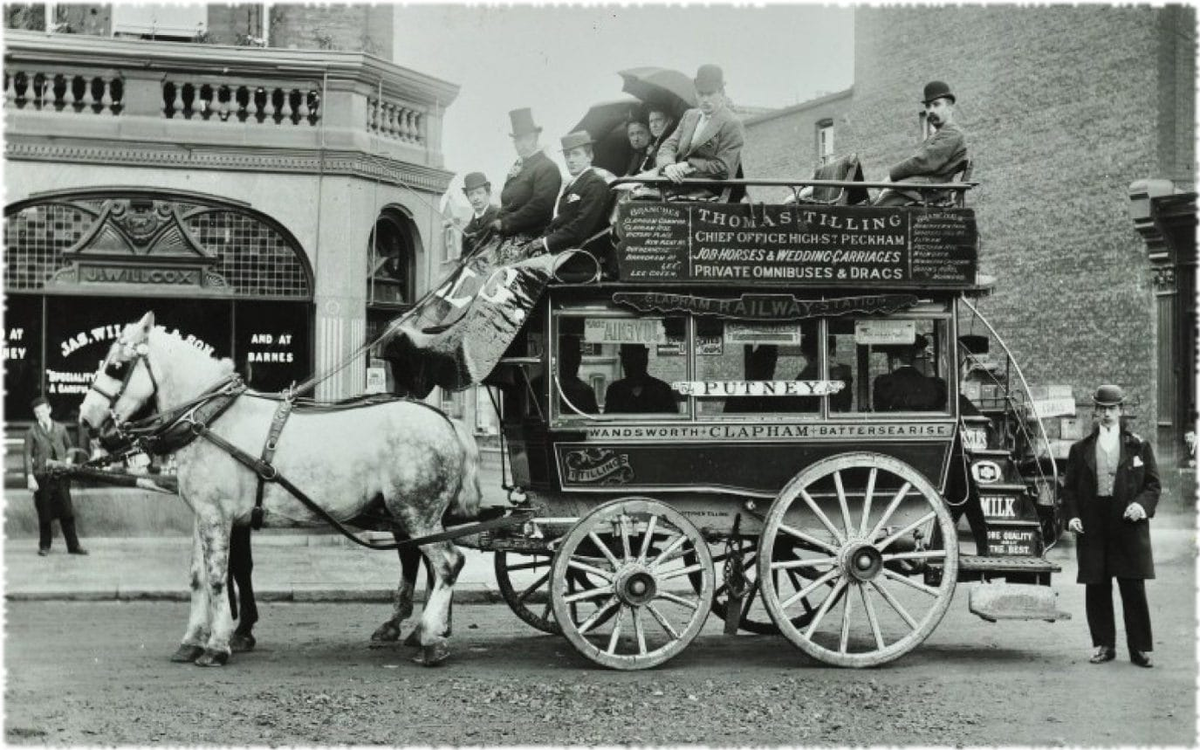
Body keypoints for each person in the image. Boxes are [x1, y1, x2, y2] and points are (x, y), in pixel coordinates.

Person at [1063, 385, 1160, 668]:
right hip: (1094, 523)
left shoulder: (1137, 445)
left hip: (1127, 523)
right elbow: (1069, 490)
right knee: (1097, 585)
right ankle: (1105, 645)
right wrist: (1072, 516)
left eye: (1112, 408)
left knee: (1132, 586)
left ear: (1120, 410)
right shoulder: (1080, 450)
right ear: (1095, 411)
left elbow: (1153, 484)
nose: (1106, 414)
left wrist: (1141, 506)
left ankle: (1140, 648)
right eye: (1102, 409)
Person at [655, 64, 746, 199]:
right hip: (677, 183)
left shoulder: (731, 123)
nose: (705, 100)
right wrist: (668, 165)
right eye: (701, 94)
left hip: (710, 190)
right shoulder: (689, 116)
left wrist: (688, 165)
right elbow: (668, 145)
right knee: (630, 192)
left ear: (721, 93)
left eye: (710, 94)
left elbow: (723, 169)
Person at [873, 80, 968, 207]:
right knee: (869, 204)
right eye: (928, 106)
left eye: (936, 105)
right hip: (919, 189)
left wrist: (892, 176)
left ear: (950, 108)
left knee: (874, 209)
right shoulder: (939, 134)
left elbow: (924, 161)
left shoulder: (952, 134)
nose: (931, 110)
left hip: (927, 193)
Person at [524, 131, 611, 256]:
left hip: (582, 256)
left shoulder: (595, 184)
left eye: (576, 154)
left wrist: (546, 242)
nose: (570, 160)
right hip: (566, 251)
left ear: (590, 156)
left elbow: (581, 228)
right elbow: (560, 220)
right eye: (567, 155)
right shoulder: (574, 184)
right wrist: (541, 240)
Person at [23, 395, 87, 556]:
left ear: (49, 410)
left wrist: (68, 460)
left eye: (42, 411)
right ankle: (45, 545)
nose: (40, 415)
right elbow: (26, 456)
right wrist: (30, 476)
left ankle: (73, 546)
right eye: (36, 413)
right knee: (44, 512)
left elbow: (70, 448)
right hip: (42, 477)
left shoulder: (61, 428)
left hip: (61, 476)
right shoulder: (32, 432)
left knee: (67, 511)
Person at [492, 108, 562, 240]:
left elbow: (540, 206)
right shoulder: (517, 167)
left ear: (535, 138)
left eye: (527, 139)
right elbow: (507, 205)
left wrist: (506, 223)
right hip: (508, 237)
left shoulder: (547, 167)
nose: (522, 145)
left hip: (533, 237)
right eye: (518, 140)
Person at [873, 334, 947, 412]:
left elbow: (879, 410)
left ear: (895, 357)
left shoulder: (883, 384)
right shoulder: (936, 385)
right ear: (915, 355)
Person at [604, 344, 677, 414]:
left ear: (645, 359)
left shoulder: (662, 390)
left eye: (636, 359)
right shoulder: (614, 391)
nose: (631, 364)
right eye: (627, 359)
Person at [534, 335, 598, 415]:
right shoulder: (539, 386)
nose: (576, 360)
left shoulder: (585, 391)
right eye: (570, 355)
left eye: (577, 355)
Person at [457, 171, 499, 257]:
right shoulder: (467, 231)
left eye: (479, 193)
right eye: (471, 194)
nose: (475, 198)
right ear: (468, 198)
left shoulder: (499, 215)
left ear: (488, 193)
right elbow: (464, 261)